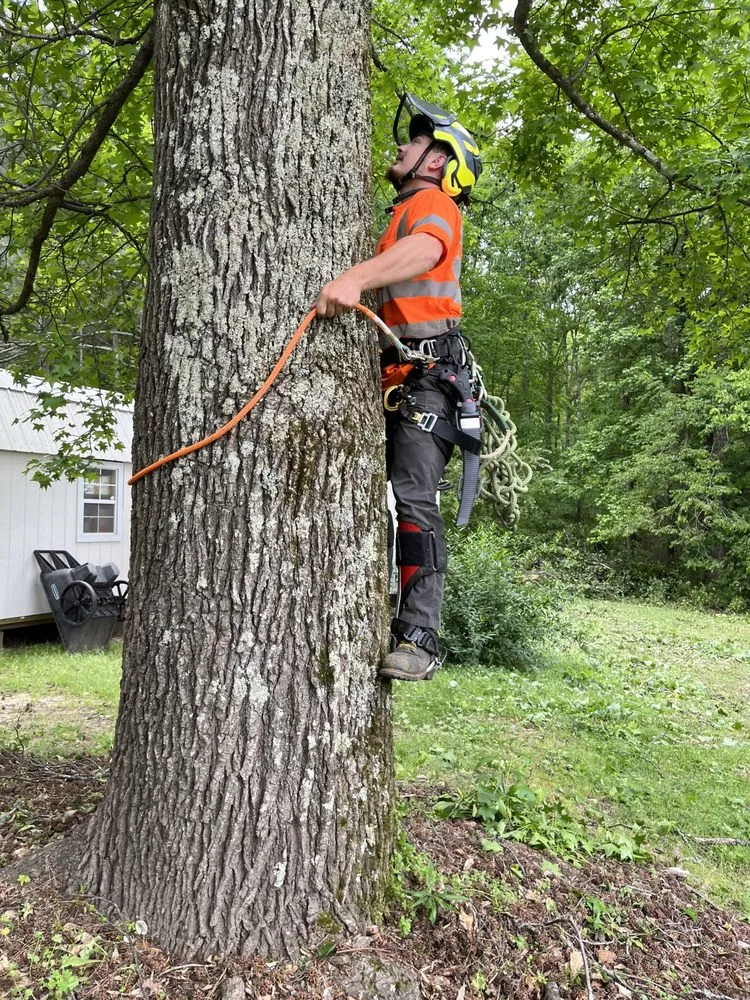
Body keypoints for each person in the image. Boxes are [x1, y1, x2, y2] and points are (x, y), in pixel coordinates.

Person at [316, 94, 482, 681]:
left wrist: (355, 279)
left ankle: (420, 637)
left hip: (430, 379)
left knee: (413, 500)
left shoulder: (435, 203)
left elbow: (429, 250)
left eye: (413, 143)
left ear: (437, 161)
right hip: (398, 376)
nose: (402, 147)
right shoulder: (400, 211)